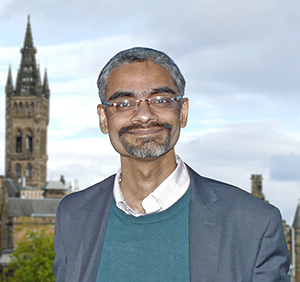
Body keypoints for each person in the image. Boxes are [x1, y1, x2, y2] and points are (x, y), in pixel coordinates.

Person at [53, 47, 290, 281]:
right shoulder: (73, 215)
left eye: (161, 100)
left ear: (183, 112)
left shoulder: (253, 223)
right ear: (104, 119)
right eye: (124, 103)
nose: (144, 115)